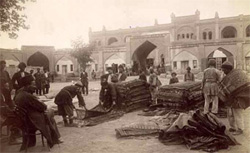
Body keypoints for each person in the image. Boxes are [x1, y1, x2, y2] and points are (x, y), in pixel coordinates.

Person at [14, 75, 63, 150]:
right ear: (27, 85)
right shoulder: (28, 96)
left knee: (49, 116)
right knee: (50, 113)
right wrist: (45, 105)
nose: (35, 86)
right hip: (32, 122)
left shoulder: (19, 93)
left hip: (24, 121)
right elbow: (42, 107)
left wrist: (35, 99)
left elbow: (32, 104)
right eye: (33, 84)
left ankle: (56, 138)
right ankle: (55, 138)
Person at [220, 61, 250, 135]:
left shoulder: (236, 74)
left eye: (224, 70)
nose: (223, 71)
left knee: (238, 113)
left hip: (240, 97)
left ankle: (240, 129)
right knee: (231, 113)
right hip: (232, 98)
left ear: (228, 69)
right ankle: (233, 127)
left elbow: (246, 85)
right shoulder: (229, 76)